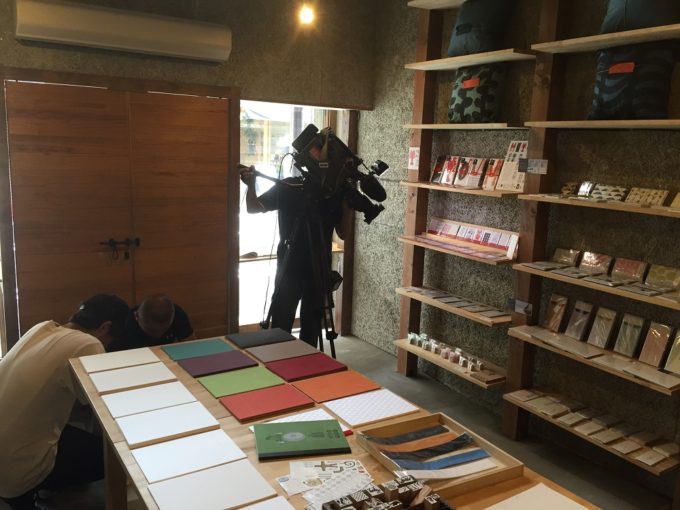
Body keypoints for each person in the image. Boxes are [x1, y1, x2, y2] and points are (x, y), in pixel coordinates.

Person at [0, 294, 130, 510]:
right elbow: (104, 406)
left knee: (68, 426)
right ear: (105, 327)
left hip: (5, 448)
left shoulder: (42, 328)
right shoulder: (89, 344)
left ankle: (44, 489)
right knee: (109, 456)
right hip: (15, 470)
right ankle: (37, 487)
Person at [240, 164, 352, 347]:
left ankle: (306, 363)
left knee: (311, 333)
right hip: (290, 268)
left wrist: (348, 207)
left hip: (318, 269)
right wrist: (251, 185)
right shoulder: (290, 186)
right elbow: (253, 208)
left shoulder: (335, 193)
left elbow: (343, 233)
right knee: (280, 331)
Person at [108, 294, 194, 351]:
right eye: (152, 330)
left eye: (164, 329)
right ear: (136, 316)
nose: (159, 334)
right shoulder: (123, 324)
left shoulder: (177, 314)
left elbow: (191, 345)